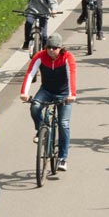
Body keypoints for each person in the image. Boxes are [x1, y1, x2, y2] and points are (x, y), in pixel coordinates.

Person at [19, 33, 77, 172]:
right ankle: (41, 129)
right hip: (46, 90)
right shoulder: (40, 56)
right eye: (49, 47)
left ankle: (63, 158)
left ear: (60, 48)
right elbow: (30, 73)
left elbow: (72, 76)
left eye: (54, 48)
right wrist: (24, 93)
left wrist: (72, 95)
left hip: (64, 94)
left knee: (63, 124)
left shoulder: (68, 58)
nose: (51, 50)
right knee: (35, 106)